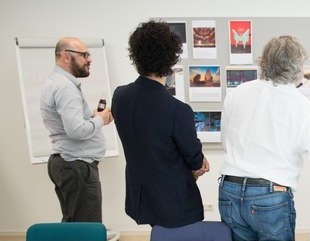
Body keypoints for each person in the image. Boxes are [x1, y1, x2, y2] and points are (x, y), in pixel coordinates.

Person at [218, 35, 310, 241]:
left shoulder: (236, 94)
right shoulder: (305, 108)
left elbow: (226, 141)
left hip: (230, 189)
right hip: (271, 196)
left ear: (264, 61)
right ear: (297, 67)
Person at [112, 21, 209, 228]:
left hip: (140, 198)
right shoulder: (177, 110)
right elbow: (195, 160)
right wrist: (199, 163)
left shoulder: (120, 96)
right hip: (173, 203)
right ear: (171, 57)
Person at [41, 37, 113, 222]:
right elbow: (76, 131)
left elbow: (71, 124)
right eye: (84, 55)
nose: (89, 59)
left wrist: (93, 117)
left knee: (74, 225)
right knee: (86, 229)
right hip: (76, 166)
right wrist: (100, 120)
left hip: (70, 164)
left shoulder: (56, 82)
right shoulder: (65, 87)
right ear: (66, 56)